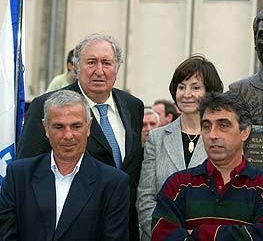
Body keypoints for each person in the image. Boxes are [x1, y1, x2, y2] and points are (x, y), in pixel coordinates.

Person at [17, 34, 144, 241]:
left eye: (107, 63)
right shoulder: (47, 106)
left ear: (117, 68)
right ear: (76, 67)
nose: (99, 71)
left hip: (122, 227)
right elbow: (28, 172)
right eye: (91, 62)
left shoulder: (133, 106)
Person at [151, 91, 263, 240]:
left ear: (245, 132)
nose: (212, 135)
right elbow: (161, 235)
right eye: (206, 126)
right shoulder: (177, 185)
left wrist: (199, 233)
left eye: (223, 125)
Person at [0, 90, 129, 240]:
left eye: (76, 126)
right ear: (46, 128)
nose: (68, 135)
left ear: (88, 127)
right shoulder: (19, 175)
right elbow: (6, 234)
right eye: (59, 127)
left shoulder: (113, 183)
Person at [136, 55, 223, 241]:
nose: (187, 94)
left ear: (210, 92)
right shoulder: (157, 138)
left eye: (195, 87)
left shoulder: (222, 139)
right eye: (181, 87)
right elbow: (145, 197)